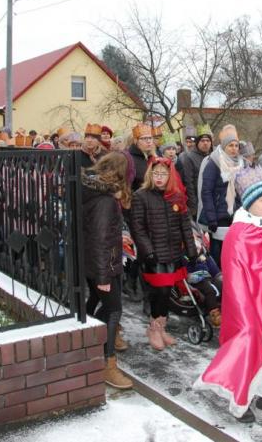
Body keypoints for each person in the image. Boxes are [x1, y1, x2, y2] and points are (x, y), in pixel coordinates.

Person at [194, 165, 262, 424]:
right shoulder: (239, 234)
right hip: (252, 306)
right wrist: (246, 314)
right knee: (249, 349)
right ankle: (240, 398)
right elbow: (235, 279)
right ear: (250, 202)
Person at [131, 157, 197, 351]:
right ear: (150, 175)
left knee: (168, 292)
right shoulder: (141, 196)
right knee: (158, 292)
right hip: (154, 254)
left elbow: (185, 225)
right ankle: (153, 328)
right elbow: (137, 228)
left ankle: (161, 327)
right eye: (156, 173)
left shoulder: (176, 196)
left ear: (170, 176)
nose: (159, 177)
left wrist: (191, 250)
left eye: (163, 174)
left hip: (173, 252)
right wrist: (148, 251)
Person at [81, 152, 133, 390]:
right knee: (113, 310)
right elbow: (100, 239)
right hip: (102, 265)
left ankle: (86, 339)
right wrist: (103, 275)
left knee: (97, 302)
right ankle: (107, 364)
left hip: (92, 262)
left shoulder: (93, 191)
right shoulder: (105, 201)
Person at [198, 124, 245, 265]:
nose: (234, 149)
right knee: (219, 256)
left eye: (236, 146)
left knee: (233, 255)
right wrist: (211, 218)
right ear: (224, 146)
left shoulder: (240, 164)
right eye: (230, 145)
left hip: (235, 215)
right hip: (218, 218)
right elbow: (206, 192)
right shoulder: (214, 163)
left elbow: (241, 190)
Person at [179, 125, 213, 219]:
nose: (205, 143)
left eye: (208, 141)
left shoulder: (213, 157)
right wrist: (193, 205)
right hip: (197, 202)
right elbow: (188, 183)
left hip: (212, 200)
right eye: (202, 141)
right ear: (197, 143)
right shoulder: (189, 158)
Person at [128, 123, 156, 192]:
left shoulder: (154, 157)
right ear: (136, 141)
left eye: (150, 138)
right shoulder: (129, 158)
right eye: (144, 138)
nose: (148, 141)